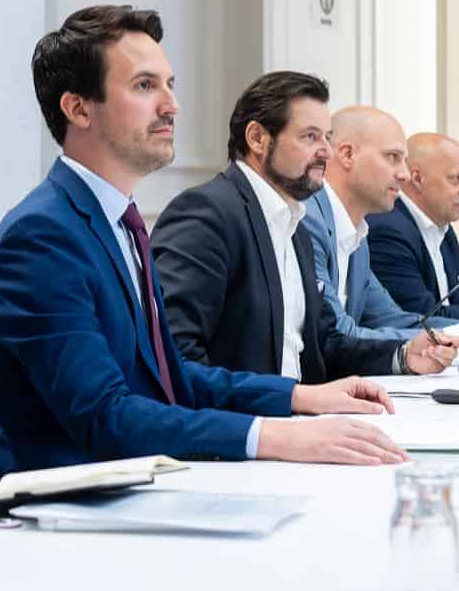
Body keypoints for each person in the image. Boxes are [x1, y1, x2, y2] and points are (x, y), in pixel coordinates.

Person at [0, 5, 407, 486]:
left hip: (129, 488)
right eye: (144, 86)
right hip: (61, 509)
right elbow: (106, 417)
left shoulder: (118, 224)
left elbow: (170, 378)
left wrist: (299, 398)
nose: (171, 105)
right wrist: (275, 436)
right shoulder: (42, 237)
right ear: (78, 109)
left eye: (169, 85)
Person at [150, 75, 423, 382]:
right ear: (257, 138)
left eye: (327, 138)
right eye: (310, 137)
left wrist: (403, 356)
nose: (327, 152)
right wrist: (291, 399)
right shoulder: (207, 214)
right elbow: (178, 361)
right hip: (246, 412)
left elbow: (324, 344)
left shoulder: (296, 230)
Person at [301, 106, 459, 375]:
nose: (404, 174)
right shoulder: (307, 220)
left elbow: (390, 318)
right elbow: (339, 333)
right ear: (347, 154)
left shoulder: (357, 234)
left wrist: (458, 334)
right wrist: (409, 350)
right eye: (393, 157)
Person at [366, 134, 459, 323]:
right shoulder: (387, 231)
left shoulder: (442, 228)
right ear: (417, 178)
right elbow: (425, 316)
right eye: (456, 178)